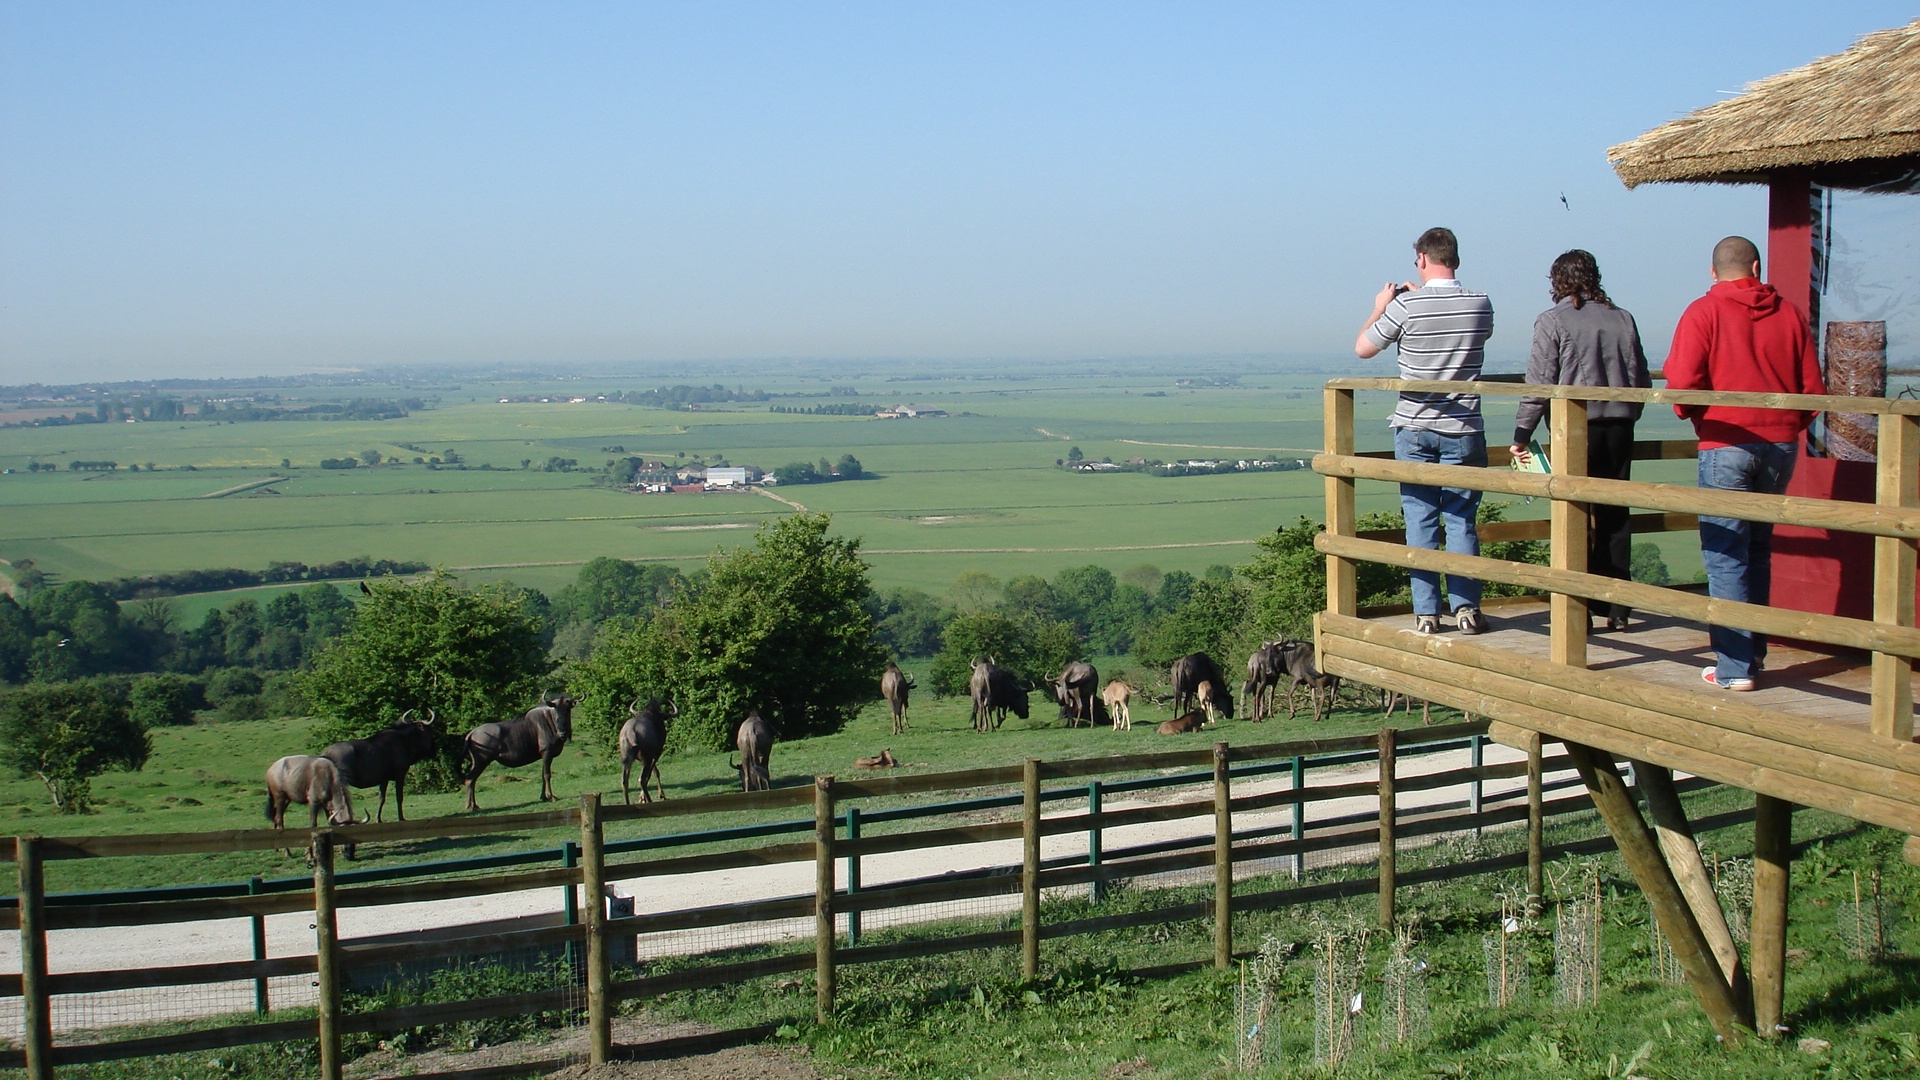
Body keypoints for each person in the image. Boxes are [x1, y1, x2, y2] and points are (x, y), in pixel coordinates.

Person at [1665, 235, 1824, 691]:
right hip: (1779, 445)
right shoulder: (1790, 313)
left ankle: (1734, 668)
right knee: (1758, 550)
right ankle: (1752, 655)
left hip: (1725, 441)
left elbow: (1682, 380)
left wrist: (1698, 417)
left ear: (1713, 271)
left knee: (1725, 555)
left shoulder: (1703, 311)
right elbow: (1812, 387)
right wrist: (1787, 426)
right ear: (1756, 267)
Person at [1355, 227, 1496, 635]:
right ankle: (1467, 609)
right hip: (1465, 426)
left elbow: (1363, 348)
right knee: (1461, 520)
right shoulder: (1480, 303)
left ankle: (1427, 614)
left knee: (1420, 520)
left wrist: (1382, 306)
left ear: (1420, 259)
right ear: (1455, 258)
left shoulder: (1406, 307)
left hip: (1415, 426)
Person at [1511, 250, 1651, 633]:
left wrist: (1522, 433)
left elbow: (1539, 383)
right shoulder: (1623, 318)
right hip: (1621, 426)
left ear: (1558, 280)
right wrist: (1627, 414)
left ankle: (1579, 608)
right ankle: (1618, 605)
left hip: (1575, 431)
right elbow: (1641, 379)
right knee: (1615, 515)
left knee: (1574, 515)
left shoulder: (1552, 320)